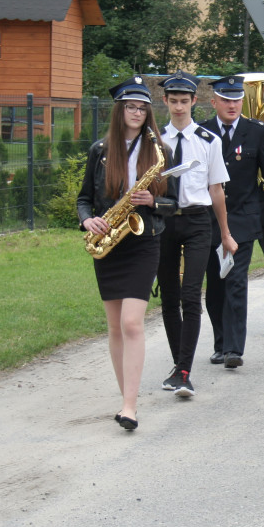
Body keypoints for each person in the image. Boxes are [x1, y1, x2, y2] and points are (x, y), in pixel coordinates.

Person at [77, 76, 177, 430]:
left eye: (142, 107)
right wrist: (88, 221)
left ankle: (130, 406)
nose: (137, 112)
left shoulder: (160, 150)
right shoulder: (100, 150)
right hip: (109, 244)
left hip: (143, 241)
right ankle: (125, 399)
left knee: (131, 323)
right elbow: (84, 199)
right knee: (114, 327)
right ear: (119, 111)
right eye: (130, 106)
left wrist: (153, 199)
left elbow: (174, 202)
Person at [156, 71, 236, 397]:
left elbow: (216, 190)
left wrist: (227, 234)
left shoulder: (208, 141)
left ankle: (185, 371)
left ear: (193, 102)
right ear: (165, 101)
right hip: (163, 224)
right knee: (169, 297)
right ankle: (178, 364)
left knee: (191, 294)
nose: (178, 107)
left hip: (198, 223)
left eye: (183, 101)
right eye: (173, 101)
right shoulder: (155, 142)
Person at [199, 75, 264, 369]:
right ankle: (220, 343)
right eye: (225, 99)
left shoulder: (256, 131)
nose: (232, 104)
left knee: (235, 282)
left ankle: (234, 348)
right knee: (216, 286)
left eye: (236, 99)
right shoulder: (203, 132)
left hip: (245, 220)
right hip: (209, 221)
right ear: (214, 102)